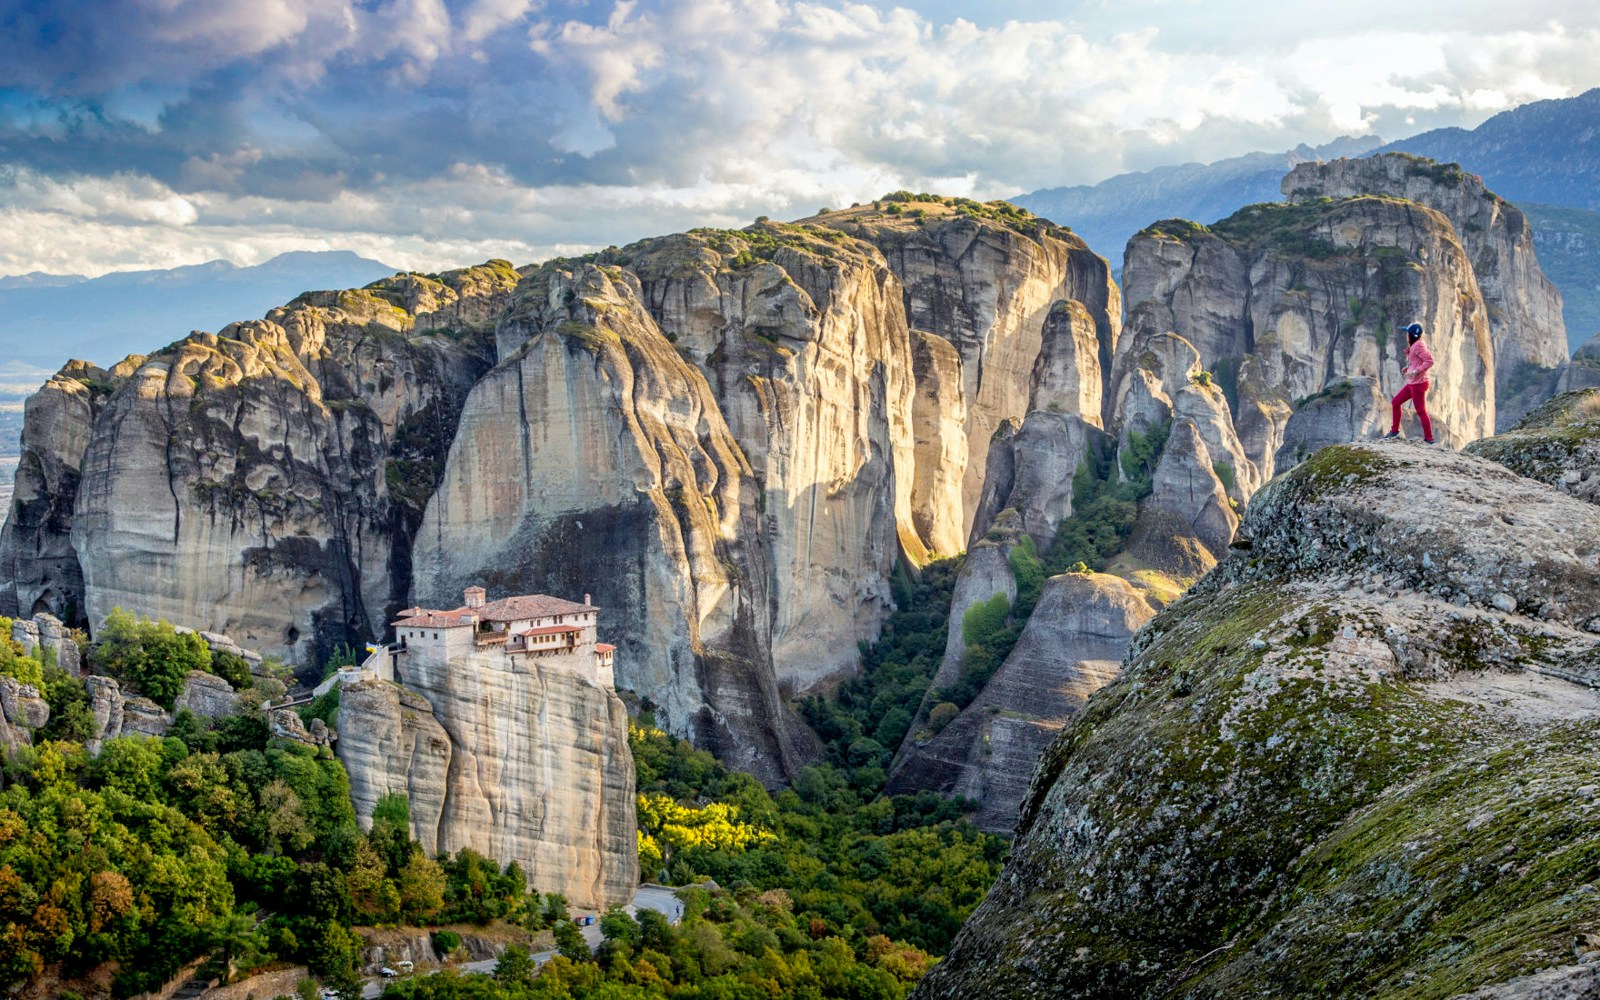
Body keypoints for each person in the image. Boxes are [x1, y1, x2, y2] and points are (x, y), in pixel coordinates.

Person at [1386, 322, 1435, 444]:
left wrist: (1415, 371)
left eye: (1407, 333)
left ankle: (1429, 439)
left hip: (1418, 384)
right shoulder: (1416, 345)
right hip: (1413, 383)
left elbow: (1429, 360)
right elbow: (1418, 361)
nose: (1406, 335)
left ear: (1411, 335)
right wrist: (1408, 369)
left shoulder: (1418, 346)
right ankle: (1394, 431)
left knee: (1421, 411)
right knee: (1395, 402)